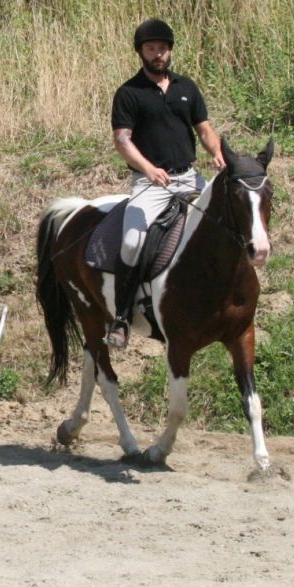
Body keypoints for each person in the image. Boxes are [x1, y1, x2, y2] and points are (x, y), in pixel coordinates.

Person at [105, 18, 225, 348]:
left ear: (170, 50)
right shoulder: (129, 93)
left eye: (162, 48)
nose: (158, 54)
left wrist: (216, 152)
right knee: (131, 243)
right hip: (150, 184)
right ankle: (122, 316)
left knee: (222, 224)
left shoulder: (187, 88)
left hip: (189, 177)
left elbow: (204, 129)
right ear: (141, 52)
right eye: (151, 48)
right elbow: (122, 141)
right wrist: (148, 169)